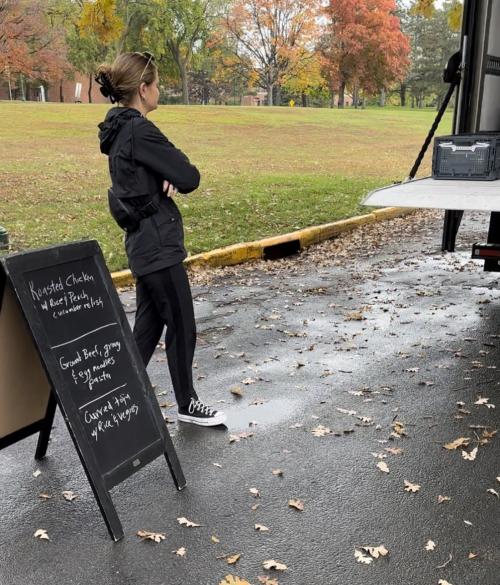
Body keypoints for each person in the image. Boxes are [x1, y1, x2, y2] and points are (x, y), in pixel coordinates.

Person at [96, 51, 226, 427]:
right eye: (156, 84)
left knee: (149, 328)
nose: (160, 90)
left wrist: (161, 173)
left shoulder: (119, 129)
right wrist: (168, 173)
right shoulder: (138, 129)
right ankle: (187, 404)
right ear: (142, 88)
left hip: (143, 244)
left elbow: (166, 174)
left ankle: (118, 400)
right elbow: (188, 175)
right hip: (157, 244)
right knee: (182, 321)